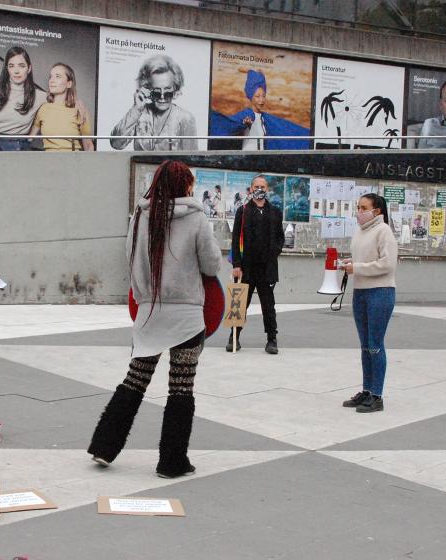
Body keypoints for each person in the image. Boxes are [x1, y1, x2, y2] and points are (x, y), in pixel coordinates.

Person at [87, 160, 221, 478]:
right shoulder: (197, 218)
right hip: (187, 316)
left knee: (135, 380)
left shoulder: (140, 216)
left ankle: (104, 446)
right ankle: (171, 461)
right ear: (186, 185)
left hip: (149, 314)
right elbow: (212, 266)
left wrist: (144, 297)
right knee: (181, 388)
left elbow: (129, 259)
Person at [339, 194, 398, 413]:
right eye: (358, 207)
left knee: (375, 344)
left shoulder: (384, 232)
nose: (359, 211)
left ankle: (377, 395)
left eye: (363, 208)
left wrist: (358, 268)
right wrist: (350, 264)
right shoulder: (360, 232)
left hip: (380, 292)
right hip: (361, 292)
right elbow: (364, 260)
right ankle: (366, 389)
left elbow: (387, 264)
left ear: (377, 211)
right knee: (365, 345)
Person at [229, 175, 285, 354]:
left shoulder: (275, 212)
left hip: (267, 268)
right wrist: (236, 264)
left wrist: (273, 253)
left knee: (268, 305)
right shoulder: (243, 211)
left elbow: (279, 238)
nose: (259, 189)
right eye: (256, 186)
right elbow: (236, 239)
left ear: (267, 189)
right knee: (240, 303)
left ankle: (272, 339)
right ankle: (234, 337)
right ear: (251, 188)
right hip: (246, 267)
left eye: (263, 186)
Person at [110, 55, 197, 151]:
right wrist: (136, 109)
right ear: (147, 89)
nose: (162, 97)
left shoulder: (185, 118)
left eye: (167, 91)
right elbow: (116, 144)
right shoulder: (139, 114)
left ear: (175, 89)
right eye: (156, 91)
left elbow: (191, 158)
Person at [209, 69, 310, 150]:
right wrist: (244, 124)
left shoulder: (265, 119)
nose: (261, 100)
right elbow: (232, 125)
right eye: (257, 96)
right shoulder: (245, 114)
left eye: (263, 96)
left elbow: (285, 130)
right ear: (250, 96)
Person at [0, 47, 46, 151]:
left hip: (21, 148)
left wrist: (77, 101)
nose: (16, 71)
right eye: (11, 66)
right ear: (7, 69)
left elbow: (61, 97)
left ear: (29, 68)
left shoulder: (39, 96)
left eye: (21, 66)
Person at [31, 63, 94, 151]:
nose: (51, 80)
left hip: (73, 160)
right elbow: (29, 139)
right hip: (48, 161)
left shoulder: (79, 109)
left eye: (58, 76)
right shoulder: (43, 108)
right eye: (51, 76)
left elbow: (88, 145)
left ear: (69, 84)